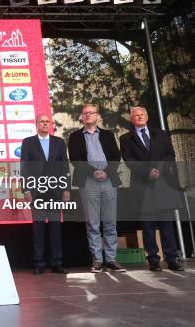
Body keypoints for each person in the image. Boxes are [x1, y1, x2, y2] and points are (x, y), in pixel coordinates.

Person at [119, 106, 184, 271]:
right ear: (132, 119)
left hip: (163, 184)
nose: (139, 117)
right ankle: (153, 261)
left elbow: (170, 155)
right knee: (148, 226)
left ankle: (171, 259)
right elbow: (129, 161)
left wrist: (159, 170)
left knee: (167, 225)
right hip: (142, 185)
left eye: (142, 115)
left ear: (146, 117)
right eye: (136, 115)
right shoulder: (126, 138)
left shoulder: (161, 134)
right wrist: (148, 171)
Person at [68, 104, 125, 272]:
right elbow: (75, 159)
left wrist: (106, 172)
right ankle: (97, 260)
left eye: (91, 113)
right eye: (85, 113)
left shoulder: (107, 135)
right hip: (88, 181)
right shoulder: (75, 136)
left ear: (97, 116)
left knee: (110, 222)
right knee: (92, 223)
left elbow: (116, 156)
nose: (88, 115)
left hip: (108, 180)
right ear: (81, 117)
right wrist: (94, 172)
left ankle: (112, 259)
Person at [21, 114, 70, 274]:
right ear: (36, 124)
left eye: (47, 121)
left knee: (55, 227)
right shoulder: (28, 142)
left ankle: (57, 262)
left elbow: (64, 167)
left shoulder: (59, 142)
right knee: (39, 228)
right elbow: (24, 168)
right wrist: (26, 189)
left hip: (56, 190)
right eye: (41, 121)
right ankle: (39, 263)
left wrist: (66, 189)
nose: (44, 124)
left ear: (50, 124)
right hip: (37, 191)